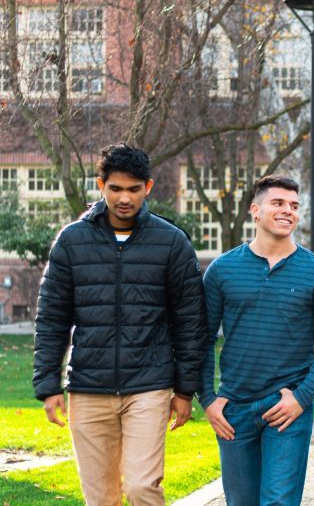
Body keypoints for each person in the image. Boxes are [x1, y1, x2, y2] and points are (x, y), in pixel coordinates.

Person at [33, 143, 207, 505]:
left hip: (149, 386)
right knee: (101, 497)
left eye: (133, 188)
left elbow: (189, 321)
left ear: (148, 187)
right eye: (115, 188)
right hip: (88, 387)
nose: (124, 197)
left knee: (143, 487)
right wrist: (48, 384)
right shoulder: (71, 241)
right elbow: (52, 316)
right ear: (101, 185)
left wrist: (185, 390)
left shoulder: (172, 243)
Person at [200, 174, 314, 506]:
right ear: (255, 210)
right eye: (278, 203)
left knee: (278, 502)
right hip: (233, 409)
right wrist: (207, 398)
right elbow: (201, 339)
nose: (288, 211)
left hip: (287, 407)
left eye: (294, 206)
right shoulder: (223, 270)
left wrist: (302, 397)